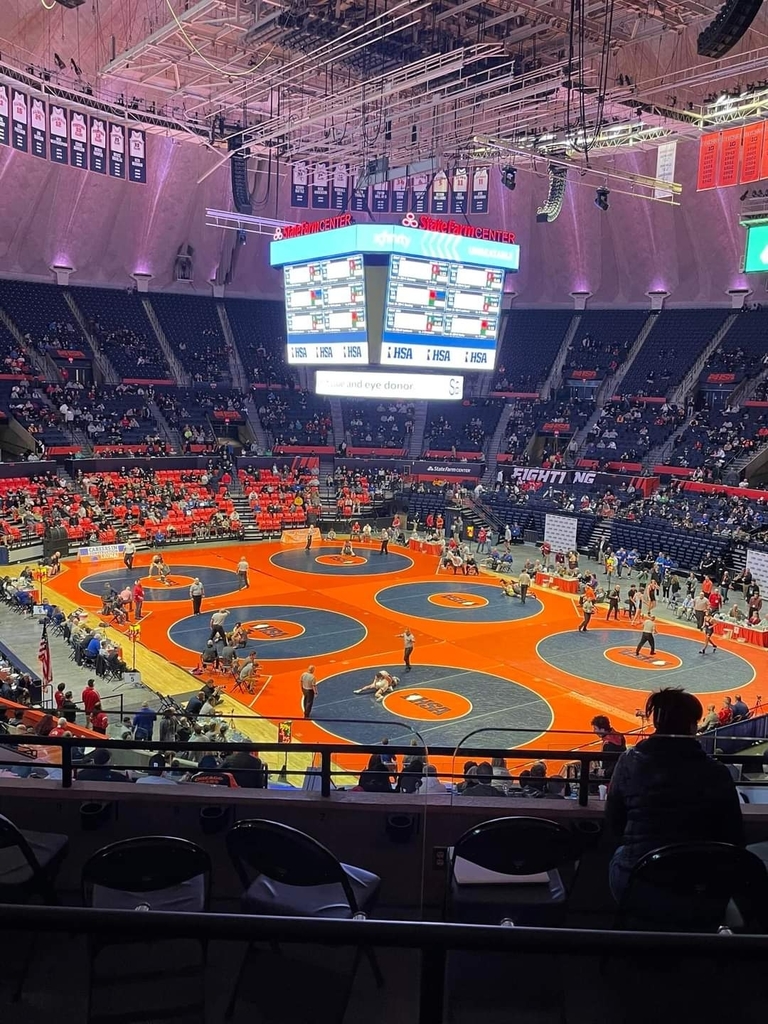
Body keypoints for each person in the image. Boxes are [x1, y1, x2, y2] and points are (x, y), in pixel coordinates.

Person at [605, 687, 744, 902]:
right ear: (692, 726)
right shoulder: (716, 771)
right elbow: (734, 833)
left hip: (639, 879)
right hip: (696, 885)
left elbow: (614, 822)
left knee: (620, 855)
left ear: (657, 723)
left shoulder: (629, 762)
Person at [591, 715, 627, 782]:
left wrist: (604, 773)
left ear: (602, 730)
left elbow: (611, 764)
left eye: (595, 728)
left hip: (611, 778)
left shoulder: (608, 745)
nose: (594, 731)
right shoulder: (620, 736)